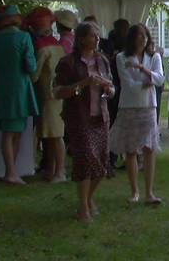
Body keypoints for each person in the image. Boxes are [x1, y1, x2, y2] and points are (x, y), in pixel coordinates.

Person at [54, 21, 116, 222]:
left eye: (98, 35)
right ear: (81, 39)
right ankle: (83, 208)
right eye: (92, 35)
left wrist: (108, 90)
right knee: (86, 160)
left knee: (102, 162)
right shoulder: (68, 63)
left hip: (101, 117)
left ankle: (88, 199)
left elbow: (112, 89)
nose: (97, 39)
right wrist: (84, 83)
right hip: (79, 118)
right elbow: (58, 92)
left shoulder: (103, 61)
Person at [0, 4, 39, 185]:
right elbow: (31, 66)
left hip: (1, 86)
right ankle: (10, 172)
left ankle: (11, 171)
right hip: (20, 87)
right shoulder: (23, 37)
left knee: (10, 130)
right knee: (13, 132)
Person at [110, 23, 163, 204]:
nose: (142, 38)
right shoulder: (121, 58)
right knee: (131, 150)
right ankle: (134, 192)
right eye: (139, 35)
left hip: (148, 106)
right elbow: (128, 85)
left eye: (145, 35)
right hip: (129, 107)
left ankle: (149, 192)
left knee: (149, 149)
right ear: (131, 38)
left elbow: (159, 78)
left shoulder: (153, 56)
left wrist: (142, 69)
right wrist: (146, 82)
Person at [31, 14, 67, 182]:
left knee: (56, 135)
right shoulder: (59, 47)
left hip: (48, 96)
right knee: (52, 135)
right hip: (58, 95)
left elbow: (34, 76)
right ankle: (51, 170)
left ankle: (60, 172)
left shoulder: (43, 50)